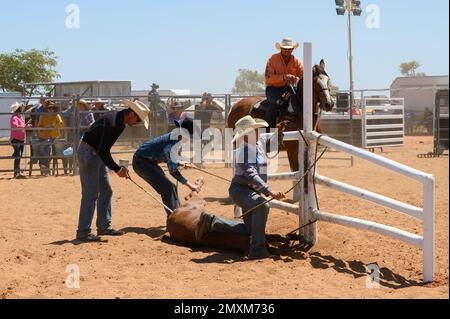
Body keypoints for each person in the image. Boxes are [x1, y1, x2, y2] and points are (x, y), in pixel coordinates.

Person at [195, 115, 285, 259]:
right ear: (244, 136)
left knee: (250, 229)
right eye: (253, 131)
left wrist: (278, 133)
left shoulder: (257, 145)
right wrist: (269, 191)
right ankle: (257, 250)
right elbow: (251, 174)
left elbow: (271, 146)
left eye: (256, 130)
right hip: (241, 191)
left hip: (247, 191)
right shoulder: (243, 151)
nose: (257, 133)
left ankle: (212, 222)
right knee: (263, 206)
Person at [75, 99, 150, 242]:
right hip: (90, 153)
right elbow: (104, 149)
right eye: (139, 120)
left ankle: (103, 226)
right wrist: (117, 169)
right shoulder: (114, 122)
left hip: (93, 153)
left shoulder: (118, 120)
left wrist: (116, 168)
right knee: (90, 193)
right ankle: (83, 232)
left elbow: (103, 149)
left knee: (105, 190)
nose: (137, 123)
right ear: (132, 115)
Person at [132, 117, 201, 216]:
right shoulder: (172, 144)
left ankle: (177, 214)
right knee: (167, 187)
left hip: (147, 161)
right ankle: (174, 218)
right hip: (141, 162)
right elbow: (173, 171)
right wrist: (190, 185)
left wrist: (179, 162)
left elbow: (170, 158)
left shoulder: (175, 139)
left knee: (170, 186)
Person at [265, 38, 304, 128]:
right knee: (275, 102)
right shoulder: (272, 59)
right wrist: (284, 77)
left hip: (290, 89)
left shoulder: (296, 62)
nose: (287, 51)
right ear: (281, 49)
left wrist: (297, 79)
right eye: (285, 49)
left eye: (289, 49)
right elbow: (268, 78)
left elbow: (302, 75)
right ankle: (268, 129)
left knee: (300, 102)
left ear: (292, 49)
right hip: (274, 89)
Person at [37, 101, 64, 176]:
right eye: (49, 108)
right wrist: (46, 127)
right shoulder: (43, 116)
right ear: (47, 109)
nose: (51, 110)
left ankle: (44, 165)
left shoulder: (57, 116)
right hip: (44, 136)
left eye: (52, 108)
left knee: (46, 149)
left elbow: (61, 125)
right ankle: (46, 167)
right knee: (45, 149)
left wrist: (54, 125)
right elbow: (39, 127)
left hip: (54, 137)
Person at [10, 103, 31, 179]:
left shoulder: (21, 116)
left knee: (19, 155)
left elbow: (21, 126)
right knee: (18, 154)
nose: (22, 108)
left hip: (21, 138)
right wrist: (25, 126)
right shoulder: (14, 117)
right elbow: (15, 126)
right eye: (20, 107)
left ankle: (17, 172)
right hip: (15, 138)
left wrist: (26, 126)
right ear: (18, 108)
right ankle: (16, 172)